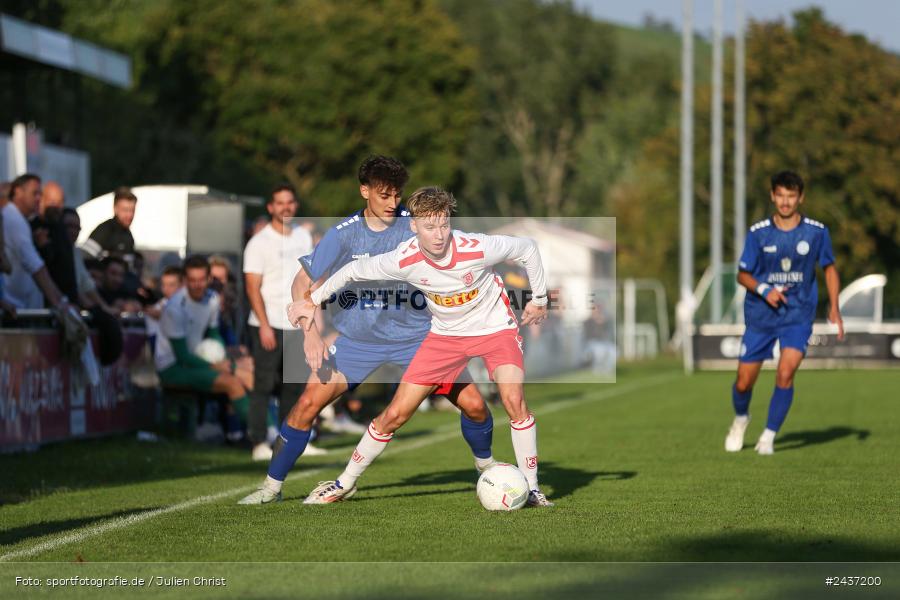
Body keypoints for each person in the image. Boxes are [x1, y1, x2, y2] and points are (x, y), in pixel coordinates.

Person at [238, 156, 493, 505]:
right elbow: (302, 283)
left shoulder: (414, 223)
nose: (392, 203)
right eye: (384, 195)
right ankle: (270, 488)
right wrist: (310, 332)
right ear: (365, 191)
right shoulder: (343, 234)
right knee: (306, 406)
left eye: (397, 195)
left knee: (476, 406)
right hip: (358, 341)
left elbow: (455, 257)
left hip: (419, 339)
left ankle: (489, 472)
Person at [292, 186, 554, 507]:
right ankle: (343, 483)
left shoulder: (477, 247)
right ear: (413, 226)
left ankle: (532, 488)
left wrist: (539, 300)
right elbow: (352, 271)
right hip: (444, 338)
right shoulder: (404, 258)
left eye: (444, 224)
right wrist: (313, 301)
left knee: (513, 399)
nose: (439, 234)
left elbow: (527, 247)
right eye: (430, 226)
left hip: (495, 329)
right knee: (396, 414)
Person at [725, 171, 844, 456]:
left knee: (786, 372)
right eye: (780, 195)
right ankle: (741, 419)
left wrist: (835, 307)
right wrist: (765, 289)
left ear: (800, 197)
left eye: (791, 196)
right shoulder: (758, 233)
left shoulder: (817, 232)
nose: (786, 202)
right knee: (743, 382)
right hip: (761, 318)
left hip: (798, 315)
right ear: (772, 196)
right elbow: (743, 275)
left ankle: (768, 436)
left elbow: (829, 268)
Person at [242, 185, 314, 461]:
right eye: (279, 203)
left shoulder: (303, 236)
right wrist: (263, 324)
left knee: (293, 386)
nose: (285, 207)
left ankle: (289, 442)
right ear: (270, 207)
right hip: (268, 322)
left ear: (294, 205)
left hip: (296, 322)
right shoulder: (259, 243)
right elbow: (252, 287)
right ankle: (258, 442)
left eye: (289, 202)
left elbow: (309, 278)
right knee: (263, 385)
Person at [155, 255, 250, 441]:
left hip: (195, 362)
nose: (197, 285)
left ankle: (276, 434)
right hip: (173, 367)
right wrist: (218, 366)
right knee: (233, 382)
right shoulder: (175, 308)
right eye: (192, 280)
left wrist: (221, 356)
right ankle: (257, 437)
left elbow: (214, 334)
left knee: (249, 372)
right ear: (184, 281)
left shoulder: (212, 300)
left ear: (208, 279)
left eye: (201, 280)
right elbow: (182, 356)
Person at [2, 174, 73, 312]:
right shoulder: (13, 219)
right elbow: (35, 266)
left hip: (20, 309)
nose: (39, 199)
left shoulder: (19, 219)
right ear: (17, 192)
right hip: (15, 312)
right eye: (34, 193)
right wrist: (61, 304)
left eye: (40, 194)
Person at [82, 186, 137, 265]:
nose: (129, 215)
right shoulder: (104, 230)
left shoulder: (128, 235)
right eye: (125, 210)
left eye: (132, 210)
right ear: (115, 208)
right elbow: (85, 257)